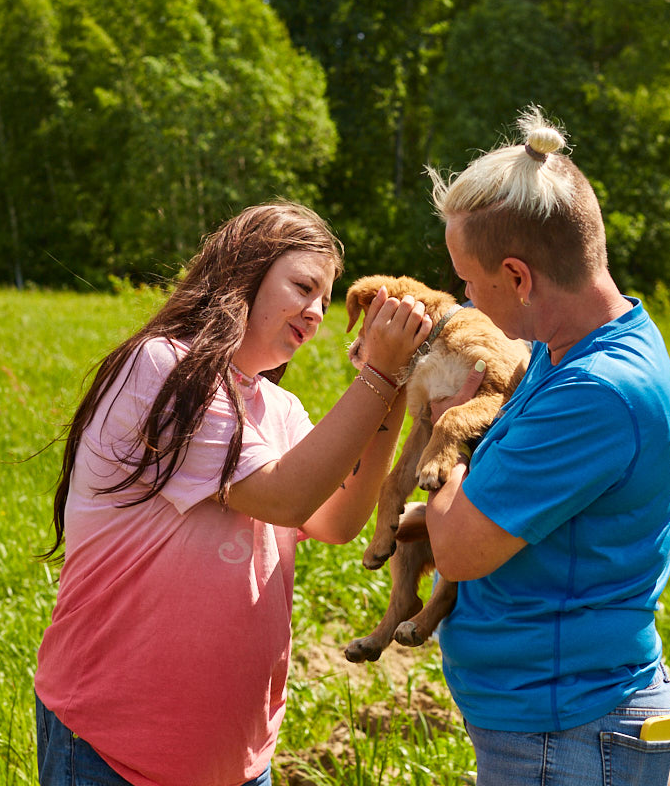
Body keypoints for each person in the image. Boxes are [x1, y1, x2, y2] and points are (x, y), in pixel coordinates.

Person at [33, 201, 433, 786]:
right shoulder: (166, 368)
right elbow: (284, 499)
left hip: (238, 761)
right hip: (111, 747)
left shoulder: (280, 409)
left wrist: (395, 385)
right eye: (303, 287)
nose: (317, 311)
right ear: (244, 272)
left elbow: (339, 519)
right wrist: (377, 377)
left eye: (326, 300)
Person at [424, 107, 670, 785]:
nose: (464, 297)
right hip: (557, 723)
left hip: (568, 732)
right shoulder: (563, 349)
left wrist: (448, 433)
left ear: (518, 277)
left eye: (469, 280)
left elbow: (457, 548)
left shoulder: (594, 391)